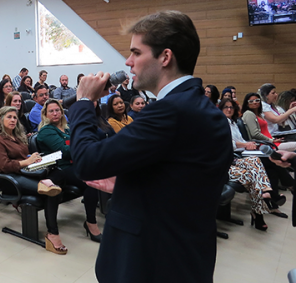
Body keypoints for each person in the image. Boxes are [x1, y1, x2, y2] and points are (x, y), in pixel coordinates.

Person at [69, 11, 232, 283]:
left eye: (136, 52)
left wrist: (84, 103)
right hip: (183, 254)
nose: (128, 62)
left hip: (150, 261)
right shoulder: (203, 108)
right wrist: (130, 176)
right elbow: (177, 176)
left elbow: (87, 160)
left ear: (165, 57)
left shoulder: (170, 111)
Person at [0, 106, 67, 254]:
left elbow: (25, 156)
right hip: (11, 179)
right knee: (52, 192)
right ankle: (52, 233)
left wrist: (35, 159)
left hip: (27, 172)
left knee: (59, 172)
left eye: (15, 117)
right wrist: (26, 162)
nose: (13, 120)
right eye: (9, 117)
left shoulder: (18, 136)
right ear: (0, 120)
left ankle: (46, 183)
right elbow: (4, 166)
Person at [36, 99, 103, 242]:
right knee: (91, 182)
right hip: (60, 169)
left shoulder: (67, 128)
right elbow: (66, 152)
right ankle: (91, 223)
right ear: (45, 115)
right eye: (51, 111)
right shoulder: (46, 131)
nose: (55, 113)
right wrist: (81, 144)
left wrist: (81, 144)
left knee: (100, 173)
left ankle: (95, 218)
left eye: (57, 110)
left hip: (77, 164)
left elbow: (86, 141)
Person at [219, 98, 278, 230]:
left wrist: (248, 145)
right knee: (253, 174)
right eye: (226, 107)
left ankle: (264, 195)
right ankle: (259, 210)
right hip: (226, 162)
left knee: (255, 161)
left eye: (231, 107)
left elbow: (239, 142)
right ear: (220, 109)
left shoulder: (233, 123)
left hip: (238, 157)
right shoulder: (218, 124)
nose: (229, 109)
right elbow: (229, 144)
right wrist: (246, 145)